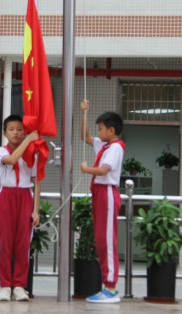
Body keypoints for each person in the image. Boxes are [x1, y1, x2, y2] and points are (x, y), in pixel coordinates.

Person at [79, 99, 125, 304]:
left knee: (107, 240)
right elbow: (85, 136)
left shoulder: (115, 148)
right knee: (100, 239)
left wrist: (86, 169)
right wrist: (84, 113)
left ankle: (111, 287)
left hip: (106, 192)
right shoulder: (104, 144)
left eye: (101, 129)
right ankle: (107, 285)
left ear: (111, 130)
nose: (98, 132)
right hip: (98, 193)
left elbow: (104, 170)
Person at [0, 114, 41, 302]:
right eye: (12, 129)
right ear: (5, 133)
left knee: (23, 244)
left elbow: (36, 182)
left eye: (20, 129)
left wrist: (36, 210)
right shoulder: (0, 151)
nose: (16, 133)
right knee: (5, 242)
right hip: (6, 196)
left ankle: (20, 286)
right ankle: (5, 286)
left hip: (25, 196)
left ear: (24, 131)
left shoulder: (32, 154)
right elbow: (12, 160)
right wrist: (29, 140)